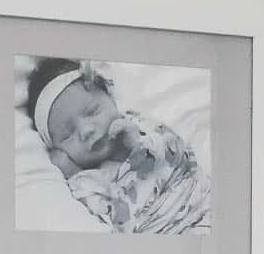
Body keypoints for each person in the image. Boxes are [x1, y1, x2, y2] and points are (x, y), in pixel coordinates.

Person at [25, 58, 211, 234]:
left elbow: (178, 152)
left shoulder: (137, 125)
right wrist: (72, 172)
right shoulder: (89, 180)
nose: (86, 131)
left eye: (93, 111)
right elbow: (104, 215)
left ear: (111, 99)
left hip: (202, 207)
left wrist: (138, 143)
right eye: (67, 135)